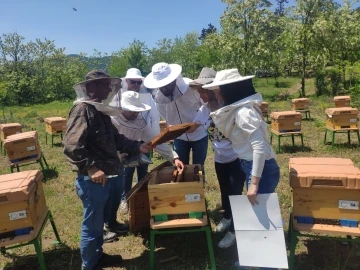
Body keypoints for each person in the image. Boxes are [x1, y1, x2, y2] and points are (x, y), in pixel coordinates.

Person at [63, 70, 152, 270]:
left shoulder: (99, 111)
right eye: (103, 85)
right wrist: (91, 168)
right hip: (93, 180)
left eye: (108, 85)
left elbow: (116, 139)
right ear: (90, 88)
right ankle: (89, 265)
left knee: (100, 220)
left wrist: (138, 146)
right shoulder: (82, 110)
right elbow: (72, 146)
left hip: (110, 174)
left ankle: (98, 256)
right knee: (93, 225)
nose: (108, 89)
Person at [203, 69, 280, 270]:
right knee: (258, 214)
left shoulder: (243, 112)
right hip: (252, 166)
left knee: (260, 216)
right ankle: (256, 261)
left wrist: (254, 183)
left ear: (229, 90)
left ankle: (263, 264)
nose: (217, 94)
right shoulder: (238, 111)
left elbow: (259, 147)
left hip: (261, 170)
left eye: (219, 90)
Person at [191, 68, 245, 248]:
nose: (201, 95)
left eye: (203, 91)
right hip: (220, 158)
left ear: (214, 89)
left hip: (237, 157)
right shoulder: (203, 109)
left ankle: (234, 232)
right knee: (224, 190)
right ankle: (227, 217)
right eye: (199, 92)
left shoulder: (230, 107)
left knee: (236, 194)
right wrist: (171, 132)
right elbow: (194, 125)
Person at [110, 91, 184, 215]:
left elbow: (155, 141)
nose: (135, 113)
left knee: (123, 184)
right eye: (131, 110)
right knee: (112, 191)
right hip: (111, 161)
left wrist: (174, 157)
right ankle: (111, 219)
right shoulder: (111, 121)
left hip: (132, 152)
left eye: (137, 110)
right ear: (122, 109)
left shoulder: (141, 122)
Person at [143, 62, 208, 169]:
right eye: (161, 86)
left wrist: (197, 122)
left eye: (167, 84)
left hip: (199, 134)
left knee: (199, 167)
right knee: (181, 166)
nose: (164, 88)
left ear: (174, 80)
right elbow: (166, 117)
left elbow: (205, 105)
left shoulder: (191, 87)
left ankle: (199, 185)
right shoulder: (158, 99)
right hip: (179, 137)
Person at [117, 68, 159, 213]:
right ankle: (125, 199)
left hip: (143, 138)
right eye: (132, 81)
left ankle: (142, 195)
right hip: (125, 142)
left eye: (138, 82)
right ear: (126, 80)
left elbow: (153, 115)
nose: (135, 84)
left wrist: (154, 136)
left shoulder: (146, 94)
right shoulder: (120, 94)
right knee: (126, 172)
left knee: (143, 170)